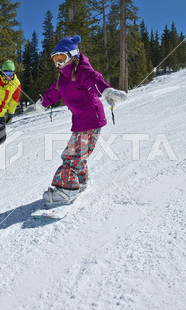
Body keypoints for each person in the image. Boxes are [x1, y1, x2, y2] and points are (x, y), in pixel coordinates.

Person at [36, 35, 128, 204]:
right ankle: (80, 180)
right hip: (80, 120)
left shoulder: (81, 71)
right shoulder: (63, 77)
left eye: (61, 58)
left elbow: (94, 79)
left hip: (91, 118)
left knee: (72, 154)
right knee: (78, 152)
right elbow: (54, 92)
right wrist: (40, 104)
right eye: (55, 59)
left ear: (72, 56)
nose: (58, 63)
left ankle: (66, 190)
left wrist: (106, 91)